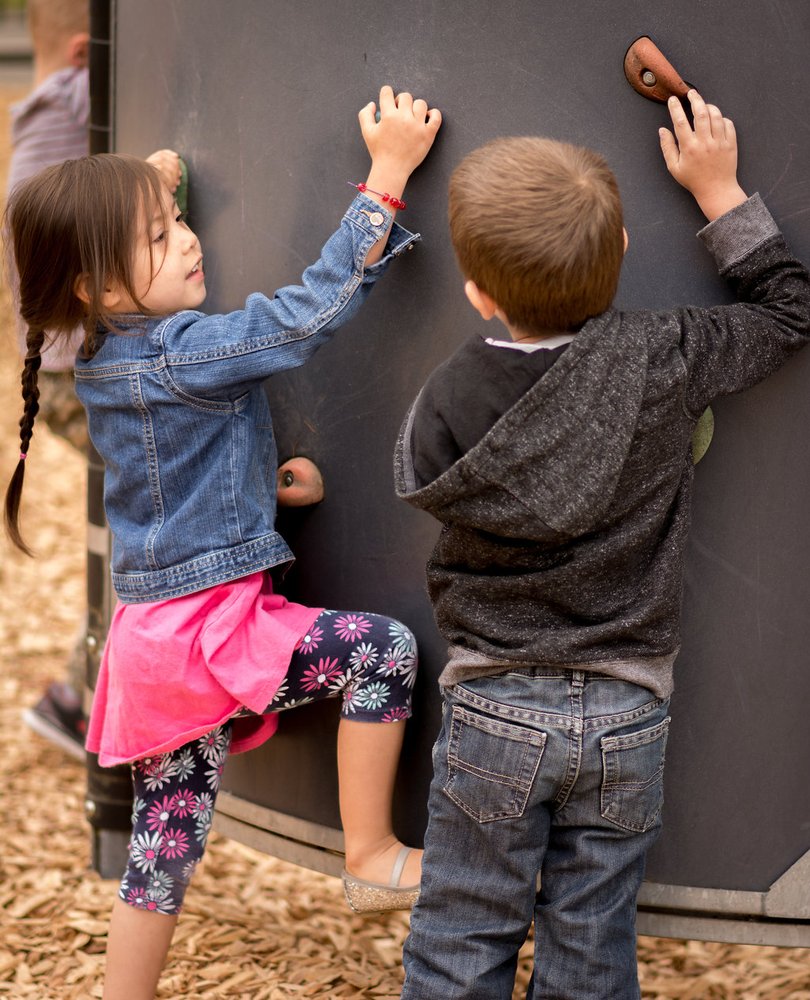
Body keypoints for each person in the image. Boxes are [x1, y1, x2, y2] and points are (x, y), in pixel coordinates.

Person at [4, 85, 441, 1000]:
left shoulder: (105, 355)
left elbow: (174, 473)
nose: (189, 240)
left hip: (156, 645)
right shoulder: (181, 350)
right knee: (384, 654)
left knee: (161, 852)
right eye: (161, 236)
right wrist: (387, 179)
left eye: (176, 220)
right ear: (99, 284)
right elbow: (301, 318)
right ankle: (369, 851)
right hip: (213, 634)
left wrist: (261, 486)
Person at [394, 90, 810, 999]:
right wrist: (719, 193)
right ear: (620, 252)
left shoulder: (449, 397)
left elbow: (420, 477)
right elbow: (788, 314)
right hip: (630, 708)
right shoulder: (669, 356)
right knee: (590, 943)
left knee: (462, 927)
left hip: (494, 704)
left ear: (477, 291)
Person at [9, 0, 184, 758]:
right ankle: (95, 699)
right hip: (77, 374)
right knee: (166, 515)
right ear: (91, 53)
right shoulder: (77, 99)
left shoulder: (38, 111)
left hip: (60, 371)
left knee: (145, 517)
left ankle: (84, 694)